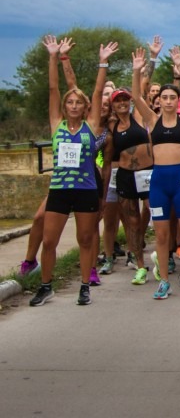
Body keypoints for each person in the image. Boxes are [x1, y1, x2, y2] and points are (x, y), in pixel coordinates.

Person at [29, 36, 118, 307]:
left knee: (86, 238)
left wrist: (103, 63)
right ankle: (46, 286)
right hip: (59, 189)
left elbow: (98, 89)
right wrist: (53, 56)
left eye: (79, 103)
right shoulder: (56, 125)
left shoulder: (91, 126)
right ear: (65, 106)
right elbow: (54, 88)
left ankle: (84, 286)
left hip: (85, 190)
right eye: (71, 103)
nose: (75, 106)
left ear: (85, 108)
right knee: (49, 239)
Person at [131, 45, 180, 300]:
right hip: (159, 183)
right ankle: (164, 280)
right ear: (159, 101)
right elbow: (135, 96)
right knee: (162, 236)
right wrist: (137, 71)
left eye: (171, 97)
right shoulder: (152, 122)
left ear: (177, 101)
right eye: (163, 97)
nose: (167, 101)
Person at [100, 85, 154, 286]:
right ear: (112, 105)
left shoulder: (138, 116)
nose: (122, 103)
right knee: (131, 221)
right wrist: (103, 193)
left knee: (154, 213)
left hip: (147, 173)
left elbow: (142, 86)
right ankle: (140, 265)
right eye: (118, 100)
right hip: (125, 176)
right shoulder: (111, 126)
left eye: (125, 99)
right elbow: (107, 159)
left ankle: (165, 257)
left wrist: (143, 66)